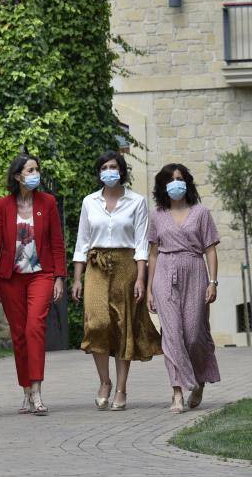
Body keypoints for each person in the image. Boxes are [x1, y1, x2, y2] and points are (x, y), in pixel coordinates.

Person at [72, 151, 162, 411]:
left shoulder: (137, 201)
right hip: (96, 265)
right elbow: (82, 242)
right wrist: (77, 278)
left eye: (113, 166)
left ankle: (122, 388)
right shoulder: (89, 202)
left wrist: (141, 279)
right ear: (99, 172)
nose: (109, 171)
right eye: (104, 167)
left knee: (125, 326)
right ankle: (104, 382)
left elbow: (142, 245)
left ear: (121, 171)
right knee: (97, 322)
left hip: (127, 265)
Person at [0, 153, 66, 416]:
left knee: (34, 328)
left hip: (41, 275)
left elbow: (56, 241)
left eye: (36, 169)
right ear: (18, 176)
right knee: (18, 335)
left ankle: (38, 392)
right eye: (30, 170)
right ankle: (26, 392)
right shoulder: (1, 206)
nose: (35, 174)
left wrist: (59, 277)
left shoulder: (48, 203)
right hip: (12, 279)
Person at [147, 164, 220, 413]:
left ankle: (198, 379)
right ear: (162, 186)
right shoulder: (157, 215)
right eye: (170, 179)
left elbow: (210, 249)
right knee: (171, 334)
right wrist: (148, 289)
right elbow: (153, 254)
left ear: (187, 183)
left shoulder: (200, 213)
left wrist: (213, 281)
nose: (175, 183)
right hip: (164, 273)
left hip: (194, 271)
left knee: (193, 335)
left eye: (180, 179)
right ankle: (177, 391)